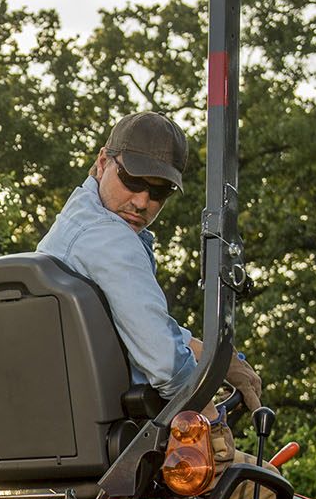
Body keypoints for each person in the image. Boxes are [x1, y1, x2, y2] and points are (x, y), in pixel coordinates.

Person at [37, 110, 263, 421]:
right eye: (132, 180)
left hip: (63, 424)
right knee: (254, 470)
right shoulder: (110, 237)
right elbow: (165, 364)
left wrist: (216, 359)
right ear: (103, 162)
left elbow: (136, 324)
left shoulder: (74, 226)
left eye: (159, 191)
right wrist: (210, 422)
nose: (142, 202)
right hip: (110, 440)